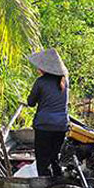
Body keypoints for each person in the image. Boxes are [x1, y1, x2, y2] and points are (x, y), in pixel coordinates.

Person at [27, 48, 69, 177]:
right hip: (61, 125)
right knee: (55, 156)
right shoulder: (64, 81)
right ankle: (58, 181)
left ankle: (44, 184)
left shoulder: (41, 82)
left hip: (44, 125)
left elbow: (31, 102)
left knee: (42, 159)